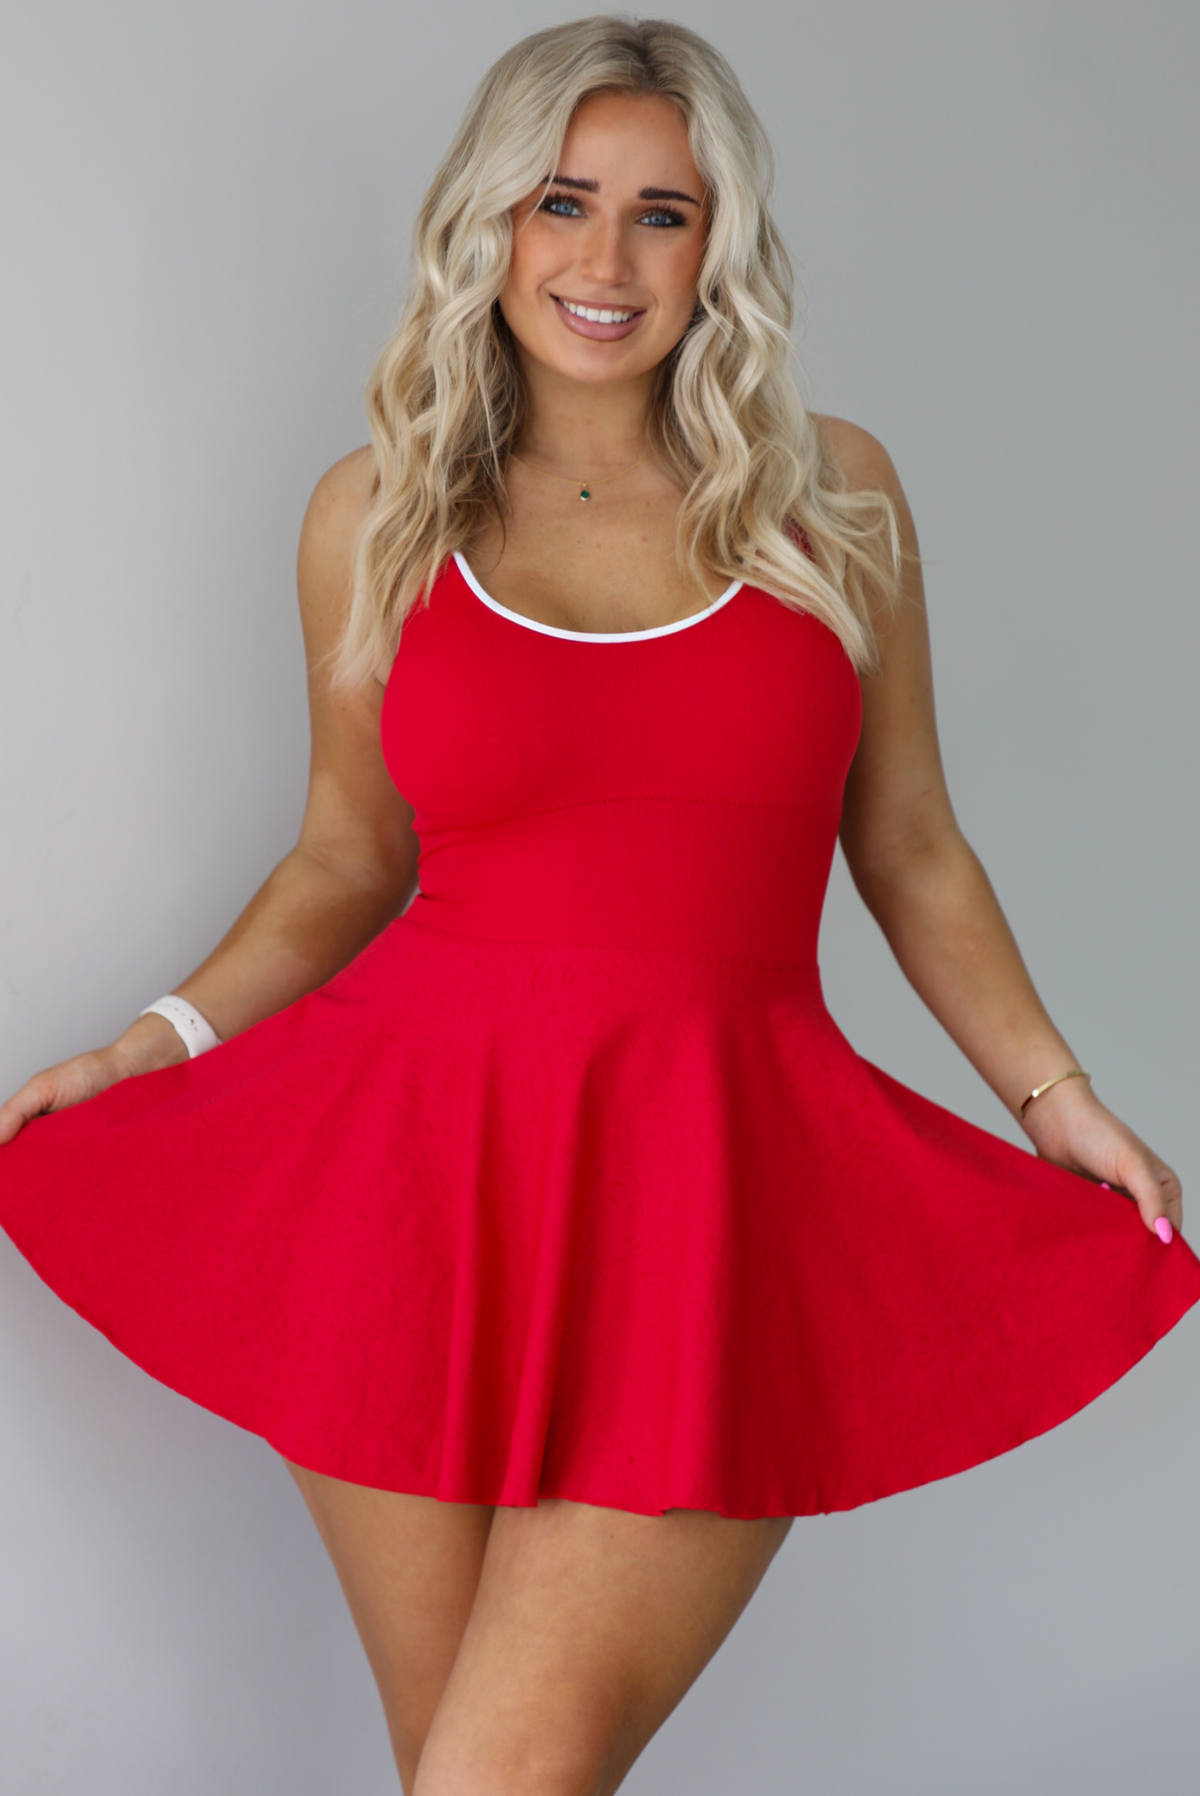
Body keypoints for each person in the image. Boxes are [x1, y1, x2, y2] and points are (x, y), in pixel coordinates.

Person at [1, 16, 1197, 1795]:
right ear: (488, 220)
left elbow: (913, 843)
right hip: (406, 1185)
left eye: (665, 212)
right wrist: (149, 1044)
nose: (607, 259)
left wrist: (1055, 1095)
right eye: (564, 202)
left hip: (711, 1191)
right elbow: (346, 857)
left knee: (507, 1773)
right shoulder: (379, 516)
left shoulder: (834, 499)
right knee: (464, 1777)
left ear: (724, 246)